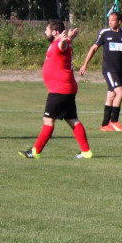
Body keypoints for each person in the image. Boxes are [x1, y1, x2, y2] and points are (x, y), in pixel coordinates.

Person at [20, 20, 93, 159]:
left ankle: (35, 152)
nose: (45, 32)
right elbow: (64, 43)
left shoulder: (61, 44)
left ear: (55, 32)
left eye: (46, 29)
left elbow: (62, 46)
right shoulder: (61, 42)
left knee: (48, 120)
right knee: (72, 120)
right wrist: (69, 38)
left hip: (60, 90)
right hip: (66, 88)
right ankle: (86, 151)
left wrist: (65, 40)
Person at [79, 11, 122, 131]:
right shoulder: (104, 33)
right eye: (109, 20)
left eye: (113, 20)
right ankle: (114, 121)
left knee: (111, 95)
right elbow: (94, 48)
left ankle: (105, 125)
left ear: (119, 21)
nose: (110, 22)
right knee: (120, 93)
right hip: (108, 69)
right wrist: (85, 64)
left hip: (119, 70)